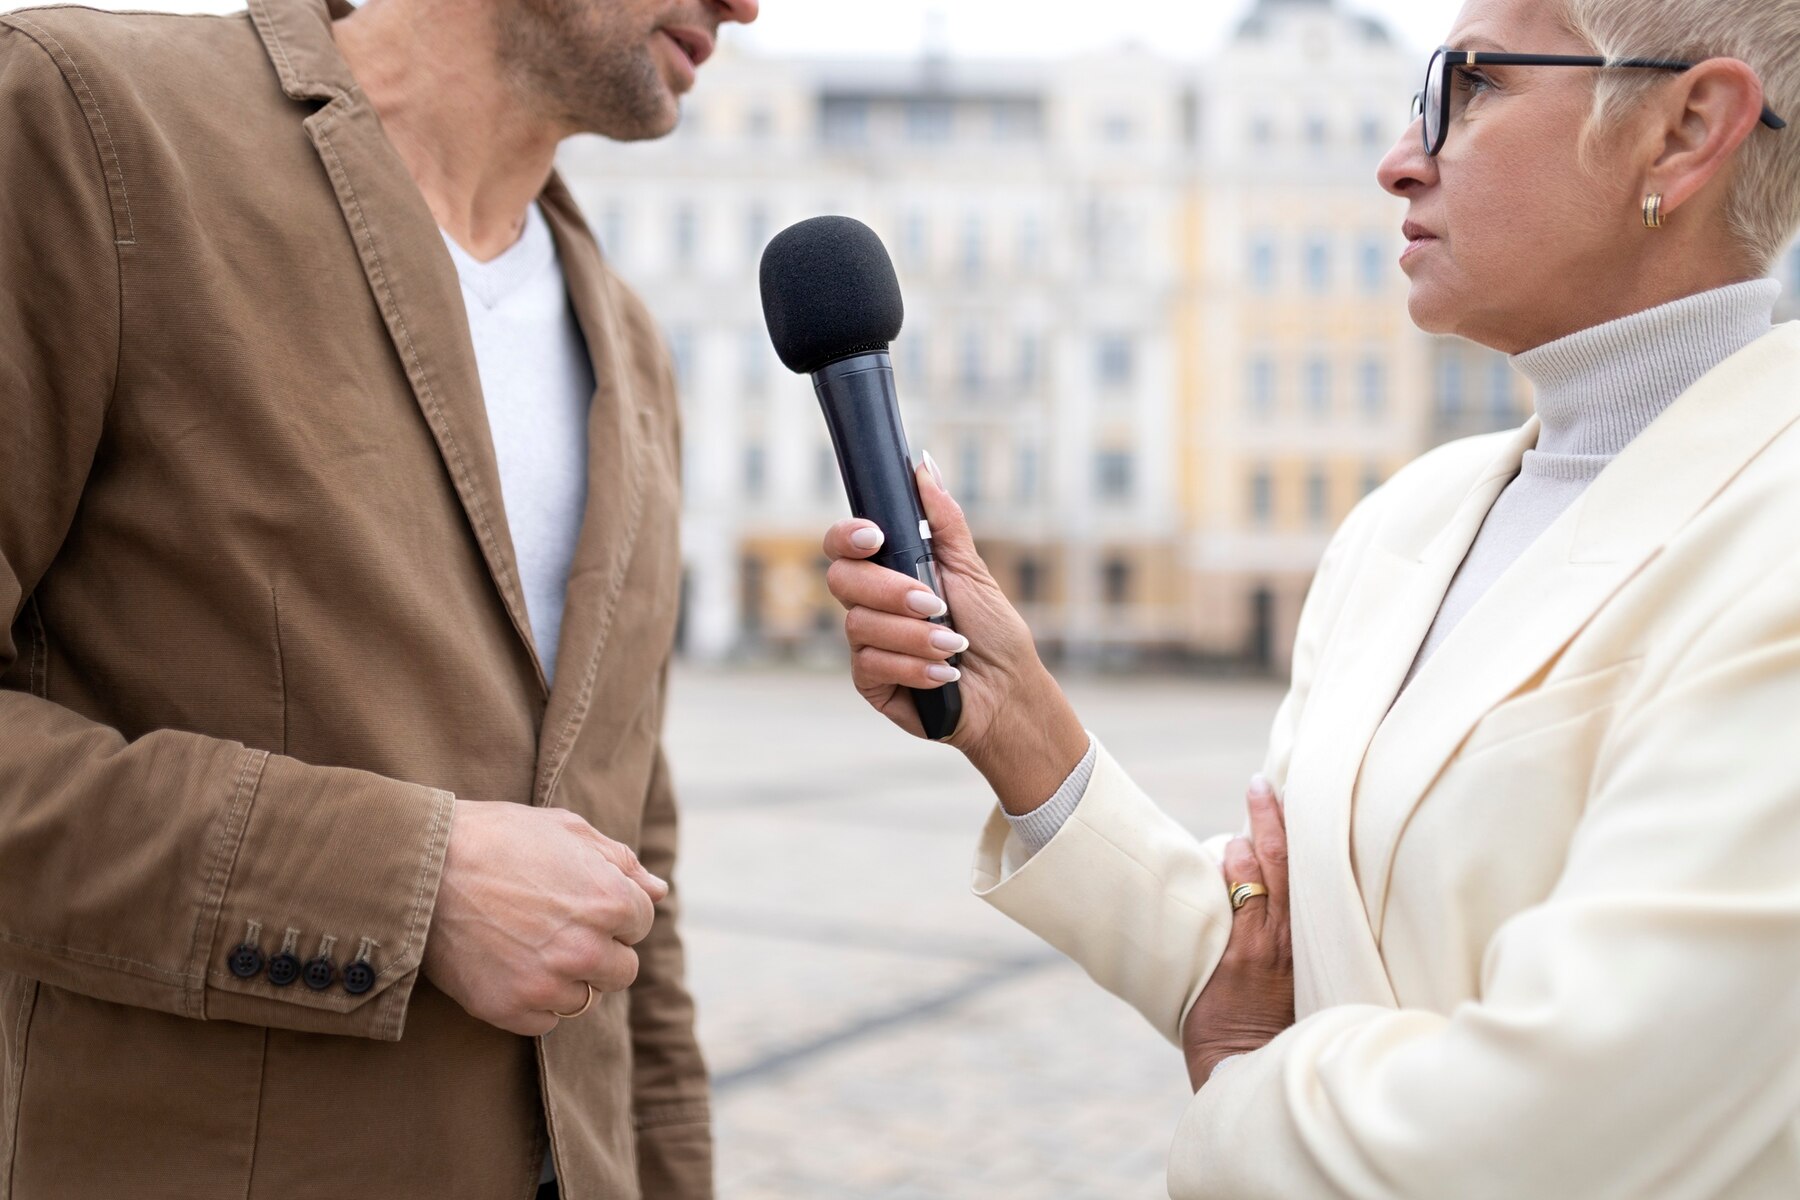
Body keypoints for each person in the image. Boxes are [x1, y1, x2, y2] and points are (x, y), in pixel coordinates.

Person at [822, 0, 1800, 1194]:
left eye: (1472, 90)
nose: (1399, 161)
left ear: (1685, 130)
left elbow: (1568, 1125)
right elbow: (1276, 964)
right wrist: (1018, 720)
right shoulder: (1406, 522)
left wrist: (1239, 1091)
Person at [0, 0, 755, 1193]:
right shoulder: (89, 120)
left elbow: (636, 894)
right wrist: (407, 884)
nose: (750, 4)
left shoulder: (633, 353)